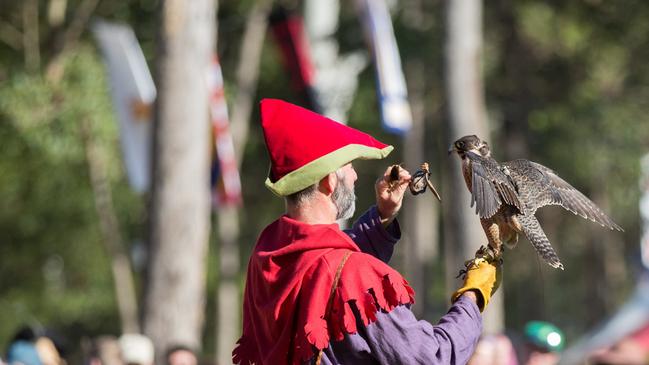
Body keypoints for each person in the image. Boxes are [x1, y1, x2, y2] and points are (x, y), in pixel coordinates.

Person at [231, 99, 503, 364]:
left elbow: (325, 269)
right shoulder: (356, 275)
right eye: (349, 168)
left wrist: (382, 217)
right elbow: (432, 358)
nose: (355, 176)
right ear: (329, 181)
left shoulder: (267, 255)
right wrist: (472, 296)